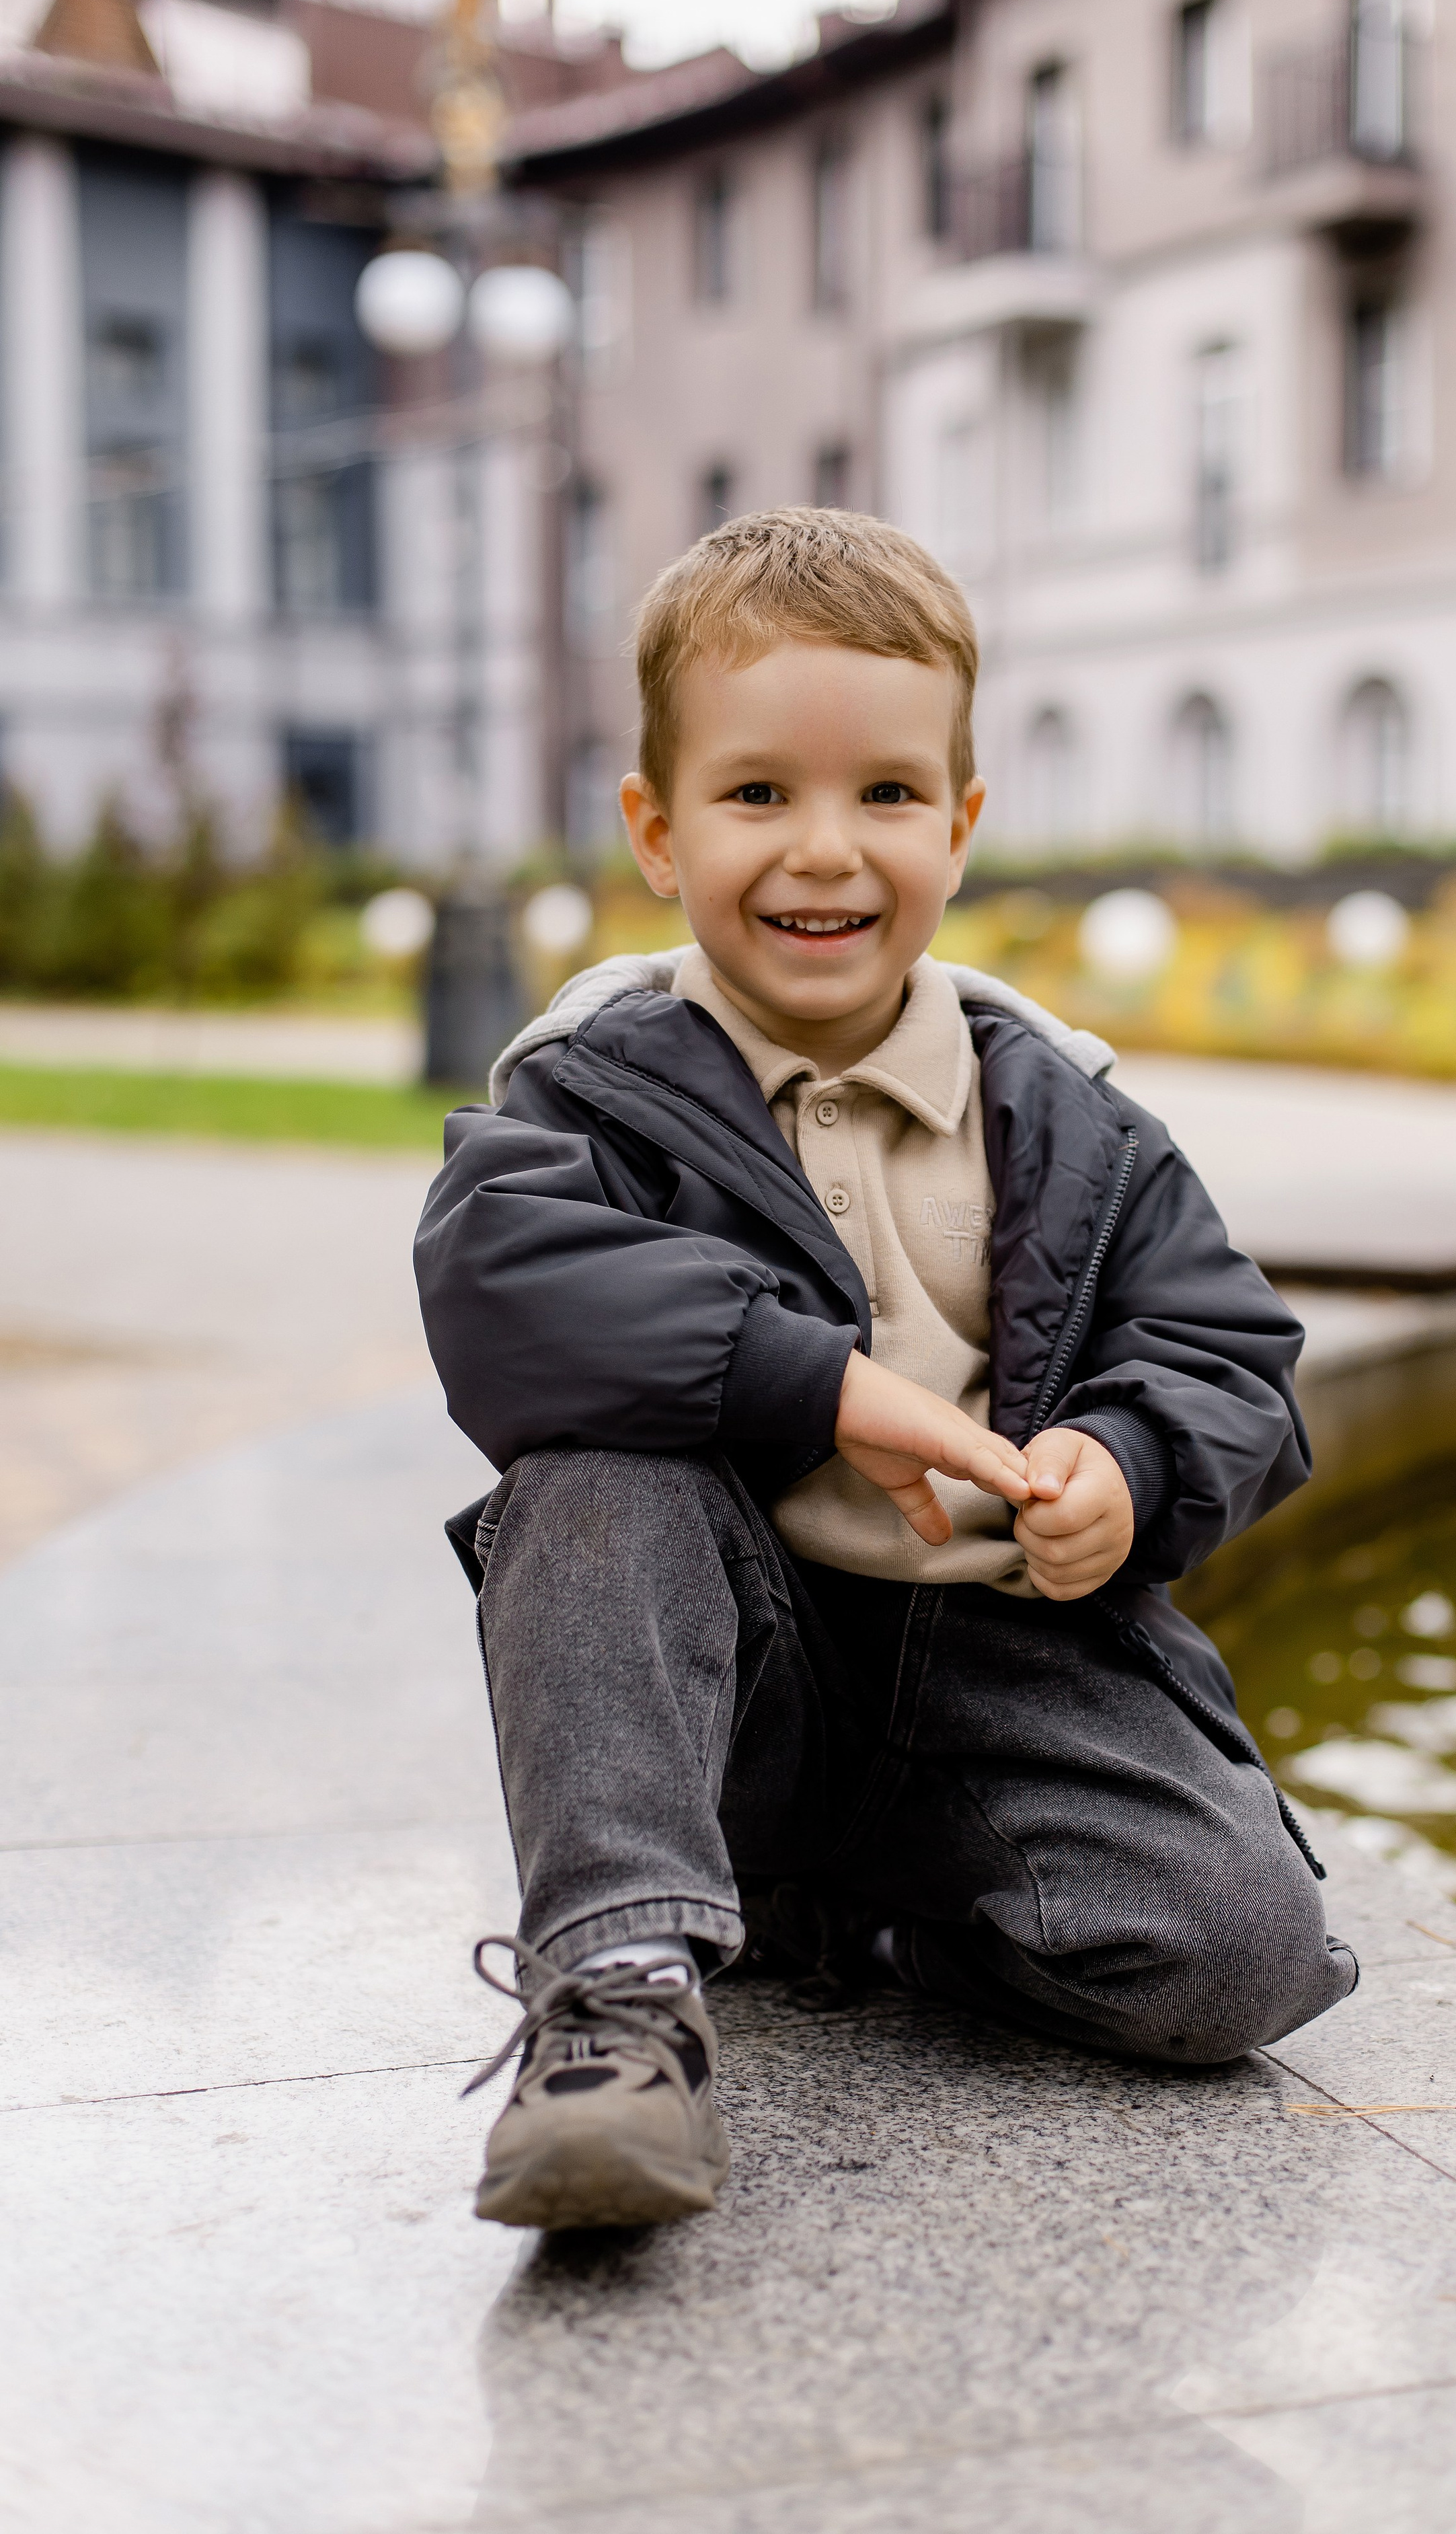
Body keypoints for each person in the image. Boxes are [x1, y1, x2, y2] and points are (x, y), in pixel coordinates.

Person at [414, 506, 1356, 2233]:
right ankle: (619, 1998)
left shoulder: (1067, 1108)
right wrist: (831, 1390)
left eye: (886, 797)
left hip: (995, 1656)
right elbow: (499, 1290)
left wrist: (1129, 1473)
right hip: (732, 1653)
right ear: (654, 827)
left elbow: (1228, 1356)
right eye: (757, 794)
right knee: (593, 1474)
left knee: (1239, 1966)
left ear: (962, 821)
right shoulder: (593, 1085)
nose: (825, 854)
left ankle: (864, 1924)